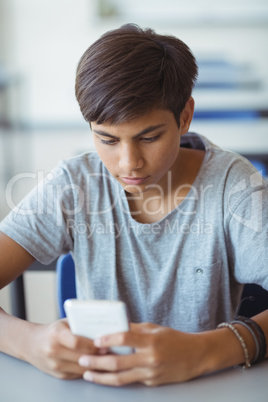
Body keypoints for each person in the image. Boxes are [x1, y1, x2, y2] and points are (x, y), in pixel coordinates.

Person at [0, 23, 267, 387]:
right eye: (106, 139)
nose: (129, 164)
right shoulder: (75, 183)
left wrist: (207, 350)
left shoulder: (232, 186)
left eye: (150, 137)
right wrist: (26, 340)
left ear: (185, 116)